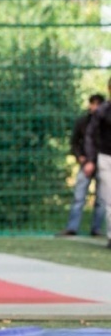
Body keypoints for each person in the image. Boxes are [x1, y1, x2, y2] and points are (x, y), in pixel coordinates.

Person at [60, 94, 106, 237]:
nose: (95, 107)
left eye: (98, 104)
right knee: (79, 196)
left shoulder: (105, 122)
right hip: (86, 163)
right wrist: (81, 158)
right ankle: (72, 227)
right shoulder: (83, 122)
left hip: (102, 163)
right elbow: (75, 142)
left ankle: (96, 228)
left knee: (102, 199)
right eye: (93, 104)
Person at [84, 77, 111, 249]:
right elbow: (90, 135)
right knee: (109, 199)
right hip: (106, 158)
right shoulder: (102, 111)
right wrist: (90, 159)